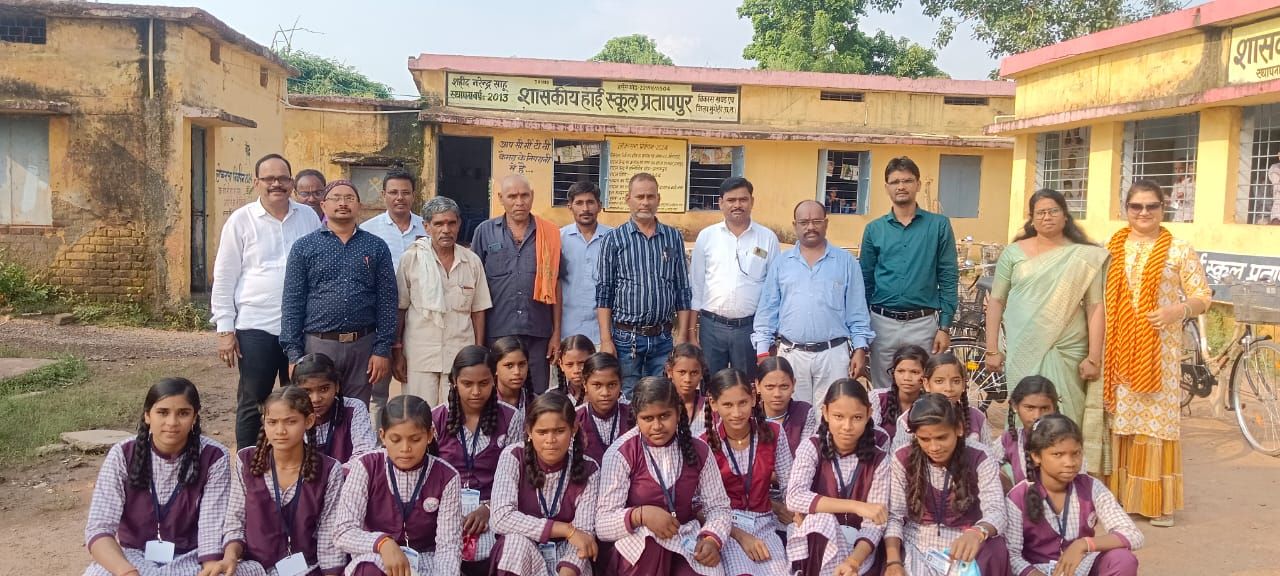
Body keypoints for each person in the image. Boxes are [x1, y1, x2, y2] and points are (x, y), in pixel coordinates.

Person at [1103, 179, 1211, 528]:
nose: (1144, 212)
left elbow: (1202, 296)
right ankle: (1119, 500)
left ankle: (1155, 504)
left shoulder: (1179, 250)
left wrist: (1177, 310)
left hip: (1159, 353)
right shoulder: (1111, 248)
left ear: (1164, 209)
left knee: (1155, 425)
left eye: (1152, 206)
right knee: (1119, 421)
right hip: (1117, 350)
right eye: (1137, 206)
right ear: (1126, 209)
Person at [211, 153, 321, 450]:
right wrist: (225, 329)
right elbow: (225, 275)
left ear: (291, 182)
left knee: (299, 399)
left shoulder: (308, 217)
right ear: (256, 182)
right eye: (269, 178)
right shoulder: (241, 220)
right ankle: (250, 464)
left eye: (283, 178)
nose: (276, 184)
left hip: (301, 326)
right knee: (253, 400)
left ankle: (297, 462)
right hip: (256, 326)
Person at [985, 189, 1106, 441]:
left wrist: (1094, 357)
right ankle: (1023, 461)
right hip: (1024, 347)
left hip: (1067, 349)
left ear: (1065, 216)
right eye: (1040, 212)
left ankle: (1065, 460)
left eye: (1053, 211)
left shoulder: (1084, 256)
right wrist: (992, 349)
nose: (1047, 217)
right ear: (1031, 219)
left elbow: (1095, 306)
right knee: (1025, 408)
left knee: (1067, 412)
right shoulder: (1013, 253)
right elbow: (996, 300)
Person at [83, 378, 233, 576]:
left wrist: (210, 567)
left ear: (195, 417)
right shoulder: (123, 453)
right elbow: (99, 528)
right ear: (147, 415)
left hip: (191, 557)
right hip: (132, 556)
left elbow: (211, 528)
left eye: (183, 413)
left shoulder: (214, 456)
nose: (172, 422)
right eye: (162, 412)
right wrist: (126, 572)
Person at [595, 376, 732, 575]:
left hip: (685, 537)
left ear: (678, 412)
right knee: (651, 545)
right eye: (648, 418)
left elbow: (718, 507)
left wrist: (712, 539)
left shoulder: (699, 449)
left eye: (665, 416)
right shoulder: (621, 453)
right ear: (636, 417)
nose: (657, 426)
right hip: (639, 546)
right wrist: (641, 515)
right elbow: (602, 525)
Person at [280, 180, 397, 405]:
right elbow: (292, 302)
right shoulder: (304, 247)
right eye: (336, 198)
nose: (343, 203)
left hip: (362, 344)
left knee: (357, 409)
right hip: (319, 343)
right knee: (317, 408)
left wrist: (382, 350)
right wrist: (294, 354)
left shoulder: (376, 246)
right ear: (323, 205)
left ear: (359, 205)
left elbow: (387, 301)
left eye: (349, 198)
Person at [752, 200, 874, 405]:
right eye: (804, 222)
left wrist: (860, 349)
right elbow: (767, 311)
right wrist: (763, 352)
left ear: (826, 223)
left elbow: (857, 312)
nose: (810, 227)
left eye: (817, 221)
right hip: (792, 355)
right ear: (795, 225)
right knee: (794, 415)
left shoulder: (846, 262)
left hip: (834, 355)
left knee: (832, 413)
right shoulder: (781, 263)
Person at [220, 387, 345, 575]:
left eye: (291, 421)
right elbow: (235, 519)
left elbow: (329, 533)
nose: (280, 431)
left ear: (309, 421)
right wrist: (230, 556)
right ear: (264, 422)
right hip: (254, 566)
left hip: (306, 568)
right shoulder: (245, 460)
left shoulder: (329, 469)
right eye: (272, 422)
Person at [335, 394, 463, 575]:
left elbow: (448, 547)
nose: (405, 449)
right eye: (395, 440)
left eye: (415, 439)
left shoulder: (447, 476)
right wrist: (382, 543)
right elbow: (343, 531)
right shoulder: (366, 466)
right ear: (382, 436)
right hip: (378, 557)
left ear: (429, 435)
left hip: (426, 561)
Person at [883, 393, 1010, 576]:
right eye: (924, 439)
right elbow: (895, 516)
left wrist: (977, 532)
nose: (934, 447)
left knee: (995, 548)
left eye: (942, 437)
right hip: (916, 542)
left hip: (965, 539)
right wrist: (894, 562)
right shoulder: (902, 457)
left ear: (959, 429)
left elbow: (996, 511)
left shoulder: (980, 456)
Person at [860, 156, 958, 390]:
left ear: (918, 184)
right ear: (886, 187)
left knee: (924, 389)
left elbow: (948, 276)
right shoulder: (874, 229)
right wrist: (863, 331)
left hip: (923, 325)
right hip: (882, 324)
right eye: (895, 182)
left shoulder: (939, 226)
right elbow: (864, 280)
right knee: (884, 391)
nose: (901, 186)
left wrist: (944, 327)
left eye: (907, 181)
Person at [1005, 415, 1143, 576]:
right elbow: (1011, 554)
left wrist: (1084, 544)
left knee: (1122, 559)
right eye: (1058, 454)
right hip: (1036, 571)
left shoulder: (1091, 487)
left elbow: (1133, 535)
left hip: (1082, 567)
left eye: (1076, 453)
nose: (1070, 463)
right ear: (1036, 456)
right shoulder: (1018, 496)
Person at [597, 172, 694, 397]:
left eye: (650, 196)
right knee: (628, 396)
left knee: (661, 397)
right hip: (626, 339)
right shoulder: (614, 239)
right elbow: (604, 292)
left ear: (658, 199)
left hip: (663, 338)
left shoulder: (672, 237)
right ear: (628, 199)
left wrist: (681, 336)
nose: (645, 202)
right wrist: (606, 340)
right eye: (639, 196)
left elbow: (682, 289)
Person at [431, 345, 526, 574]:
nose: (476, 392)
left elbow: (517, 476)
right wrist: (449, 512)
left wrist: (488, 508)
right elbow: (428, 476)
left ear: (494, 380)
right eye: (467, 384)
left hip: (495, 507)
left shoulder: (511, 417)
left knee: (492, 551)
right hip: (444, 510)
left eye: (483, 383)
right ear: (454, 381)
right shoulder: (437, 418)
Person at [785, 379, 890, 576]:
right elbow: (794, 497)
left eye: (857, 417)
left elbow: (875, 523)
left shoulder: (879, 459)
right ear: (825, 413)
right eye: (838, 416)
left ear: (869, 414)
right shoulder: (812, 447)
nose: (847, 426)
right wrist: (856, 506)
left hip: (859, 550)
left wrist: (853, 561)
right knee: (821, 521)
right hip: (815, 546)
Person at [393, 195, 490, 407]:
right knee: (418, 411)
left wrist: (478, 353)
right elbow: (400, 307)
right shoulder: (412, 259)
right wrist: (397, 351)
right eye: (438, 224)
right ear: (427, 227)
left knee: (457, 412)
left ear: (459, 224)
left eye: (451, 223)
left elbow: (478, 310)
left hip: (460, 353)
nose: (446, 230)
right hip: (420, 353)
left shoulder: (471, 261)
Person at [490, 392, 601, 576]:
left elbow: (583, 534)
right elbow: (501, 518)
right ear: (529, 431)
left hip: (568, 557)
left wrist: (567, 570)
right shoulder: (514, 456)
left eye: (559, 431)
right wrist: (565, 530)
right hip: (525, 552)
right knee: (515, 543)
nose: (550, 440)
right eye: (542, 432)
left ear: (573, 429)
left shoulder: (590, 468)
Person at [472, 174, 562, 395]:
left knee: (537, 395)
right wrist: (478, 340)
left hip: (538, 332)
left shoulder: (549, 232)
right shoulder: (485, 231)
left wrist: (556, 333)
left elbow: (556, 284)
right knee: (498, 394)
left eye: (524, 196)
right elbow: (474, 284)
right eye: (512, 196)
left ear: (532, 196)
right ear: (500, 198)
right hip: (497, 330)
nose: (519, 202)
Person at [702, 368, 792, 576]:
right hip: (726, 526)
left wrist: (789, 510)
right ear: (713, 403)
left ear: (753, 398)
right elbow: (699, 506)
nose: (736, 413)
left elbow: (790, 484)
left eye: (742, 403)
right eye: (727, 405)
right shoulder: (704, 443)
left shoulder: (773, 432)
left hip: (765, 522)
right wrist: (740, 535)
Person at [689, 177, 780, 379]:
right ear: (721, 203)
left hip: (749, 329)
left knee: (746, 385)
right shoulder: (707, 236)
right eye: (731, 200)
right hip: (711, 328)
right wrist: (691, 332)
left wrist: (769, 336)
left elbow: (773, 290)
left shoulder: (767, 238)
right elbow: (696, 285)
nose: (737, 205)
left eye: (743, 199)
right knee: (712, 385)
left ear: (752, 201)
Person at [891, 353, 994, 452]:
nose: (949, 388)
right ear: (926, 384)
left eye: (956, 381)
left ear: (963, 384)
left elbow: (989, 455)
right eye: (939, 381)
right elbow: (899, 458)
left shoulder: (977, 417)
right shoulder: (908, 420)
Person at [292, 352, 377, 464]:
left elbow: (365, 455)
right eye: (307, 391)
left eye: (324, 389)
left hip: (350, 474)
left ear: (337, 386)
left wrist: (334, 472)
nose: (316, 399)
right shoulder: (291, 414)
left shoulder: (354, 408)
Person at [560, 181, 613, 344]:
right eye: (579, 203)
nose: (585, 208)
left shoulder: (613, 238)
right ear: (570, 206)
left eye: (590, 202)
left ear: (599, 205)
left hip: (604, 333)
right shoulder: (558, 239)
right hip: (567, 330)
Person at [996, 376, 1060, 489]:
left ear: (1054, 408)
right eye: (1030, 408)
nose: (1037, 416)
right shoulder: (1009, 439)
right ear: (1015, 406)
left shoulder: (1065, 440)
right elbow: (987, 466)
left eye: (1045, 408)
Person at [360, 168, 426, 274]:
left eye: (405, 193)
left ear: (413, 196)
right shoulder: (367, 230)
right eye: (393, 192)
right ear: (383, 195)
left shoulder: (427, 227)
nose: (400, 198)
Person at [576, 352, 634, 464]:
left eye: (612, 385)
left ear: (621, 384)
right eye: (597, 385)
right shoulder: (576, 418)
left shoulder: (633, 413)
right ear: (585, 385)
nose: (605, 393)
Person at [756, 356, 819, 457]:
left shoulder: (804, 413)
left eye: (784, 386)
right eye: (770, 387)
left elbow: (805, 456)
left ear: (793, 384)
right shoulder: (749, 416)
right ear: (757, 385)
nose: (777, 394)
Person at [870, 345, 927, 440]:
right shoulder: (877, 398)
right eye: (901, 371)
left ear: (925, 375)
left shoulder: (930, 404)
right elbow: (870, 434)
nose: (907, 378)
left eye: (914, 372)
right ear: (893, 373)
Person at [668, 343, 710, 437]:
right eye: (682, 372)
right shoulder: (660, 406)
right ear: (670, 372)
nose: (687, 379)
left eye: (694, 373)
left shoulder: (710, 407)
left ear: (702, 374)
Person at [492, 336, 534, 411]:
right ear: (495, 368)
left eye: (522, 364)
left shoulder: (535, 403)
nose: (517, 372)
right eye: (509, 365)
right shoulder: (484, 404)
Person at [554, 334, 597, 405]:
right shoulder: (552, 397)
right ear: (561, 364)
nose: (576, 370)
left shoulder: (604, 396)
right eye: (569, 365)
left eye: (582, 363)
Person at [1169, 159, 1195, 223]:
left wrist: (1184, 199)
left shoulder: (1192, 183)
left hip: (1188, 218)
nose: (1178, 171)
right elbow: (1174, 206)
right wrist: (1169, 201)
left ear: (1187, 168)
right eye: (1175, 169)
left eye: (1181, 168)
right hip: (1177, 219)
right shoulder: (1176, 184)